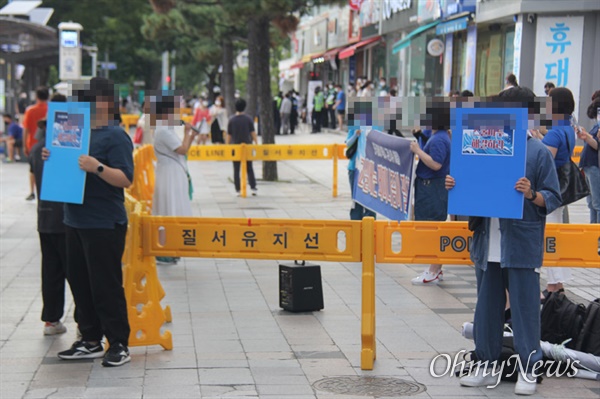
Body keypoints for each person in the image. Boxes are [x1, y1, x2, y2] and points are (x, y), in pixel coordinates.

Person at [450, 86, 561, 396]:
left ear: (524, 114)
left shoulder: (537, 152)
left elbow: (552, 197)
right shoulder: (481, 144)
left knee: (525, 310)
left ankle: (529, 368)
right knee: (486, 309)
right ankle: (486, 364)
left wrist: (531, 194)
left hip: (521, 243)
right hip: (488, 243)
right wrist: (454, 184)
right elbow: (468, 187)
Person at [46, 77, 134, 367]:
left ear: (103, 103)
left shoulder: (115, 135)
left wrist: (96, 167)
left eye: (84, 99)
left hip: (103, 223)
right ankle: (90, 339)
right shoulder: (72, 130)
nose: (78, 105)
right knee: (80, 284)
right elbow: (63, 167)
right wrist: (52, 156)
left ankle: (118, 342)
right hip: (74, 220)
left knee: (105, 284)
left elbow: (125, 179)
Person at [30, 93, 75, 335]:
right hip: (66, 219)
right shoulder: (65, 150)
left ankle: (51, 319)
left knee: (50, 270)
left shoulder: (37, 150)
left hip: (44, 218)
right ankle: (83, 321)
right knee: (75, 271)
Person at [152, 94, 199, 265]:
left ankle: (172, 247)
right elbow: (181, 150)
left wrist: (190, 136)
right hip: (169, 175)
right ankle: (164, 250)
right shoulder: (163, 130)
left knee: (173, 207)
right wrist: (187, 133)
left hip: (172, 172)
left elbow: (182, 149)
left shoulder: (166, 128)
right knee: (168, 209)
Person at [409, 98, 451, 285]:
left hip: (433, 188)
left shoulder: (439, 139)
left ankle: (433, 270)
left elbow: (435, 163)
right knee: (434, 227)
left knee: (433, 228)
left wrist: (418, 150)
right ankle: (436, 268)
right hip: (432, 187)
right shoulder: (438, 136)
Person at [541, 87, 577, 296]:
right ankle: (557, 284)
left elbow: (544, 162)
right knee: (555, 235)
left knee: (550, 237)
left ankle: (553, 286)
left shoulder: (555, 132)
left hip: (550, 191)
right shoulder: (567, 127)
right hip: (560, 191)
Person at [227, 98, 258, 196]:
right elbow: (252, 133)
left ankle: (238, 189)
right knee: (249, 168)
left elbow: (229, 135)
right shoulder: (248, 119)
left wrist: (227, 146)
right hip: (247, 146)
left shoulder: (232, 120)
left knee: (236, 169)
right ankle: (253, 187)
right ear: (245, 107)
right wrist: (256, 143)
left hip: (235, 147)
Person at [23, 86, 49, 200]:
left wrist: (25, 145)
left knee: (32, 169)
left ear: (36, 96)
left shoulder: (30, 110)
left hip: (32, 144)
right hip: (47, 144)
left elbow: (26, 129)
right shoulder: (49, 109)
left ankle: (32, 191)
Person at [578, 94, 600, 223]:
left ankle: (596, 233)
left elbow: (597, 146)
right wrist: (586, 135)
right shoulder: (596, 126)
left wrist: (587, 137)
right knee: (592, 203)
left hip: (594, 166)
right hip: (590, 165)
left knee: (596, 203)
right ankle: (593, 229)